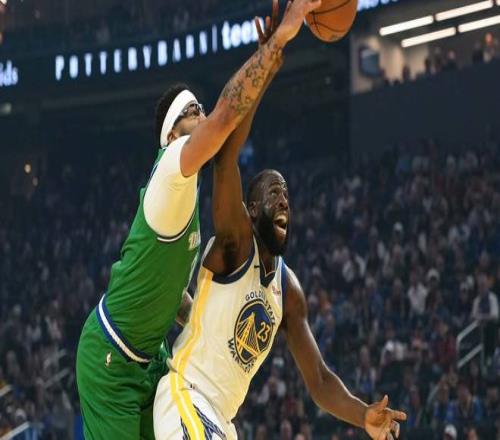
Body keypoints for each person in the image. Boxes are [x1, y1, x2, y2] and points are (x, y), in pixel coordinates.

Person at [154, 8, 406, 439]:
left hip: (221, 420)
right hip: (187, 395)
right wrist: (267, 60)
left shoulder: (288, 291)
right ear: (251, 210)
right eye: (273, 192)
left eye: (286, 193)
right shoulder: (235, 242)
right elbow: (226, 157)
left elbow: (320, 381)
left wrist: (363, 414)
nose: (283, 198)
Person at [75, 0, 303, 436]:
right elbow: (226, 118)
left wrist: (204, 315)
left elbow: (172, 293)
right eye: (193, 111)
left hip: (150, 356)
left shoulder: (188, 194)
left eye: (202, 107)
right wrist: (275, 44)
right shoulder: (172, 165)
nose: (203, 114)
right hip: (112, 360)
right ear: (172, 132)